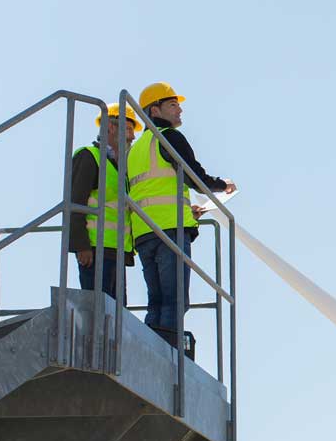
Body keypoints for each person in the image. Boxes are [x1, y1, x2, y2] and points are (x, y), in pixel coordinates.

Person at [127, 82, 236, 354]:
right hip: (169, 231)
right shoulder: (167, 137)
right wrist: (223, 185)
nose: (180, 110)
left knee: (156, 301)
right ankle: (166, 357)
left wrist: (191, 210)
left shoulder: (137, 148)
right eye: (173, 105)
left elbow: (151, 189)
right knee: (174, 301)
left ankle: (147, 351)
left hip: (143, 232)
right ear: (156, 110)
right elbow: (194, 177)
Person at [68, 103, 140, 300]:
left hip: (117, 251)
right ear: (110, 127)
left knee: (117, 318)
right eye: (128, 129)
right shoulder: (89, 157)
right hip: (94, 250)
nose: (132, 137)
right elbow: (74, 203)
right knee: (99, 312)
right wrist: (81, 245)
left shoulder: (121, 169)